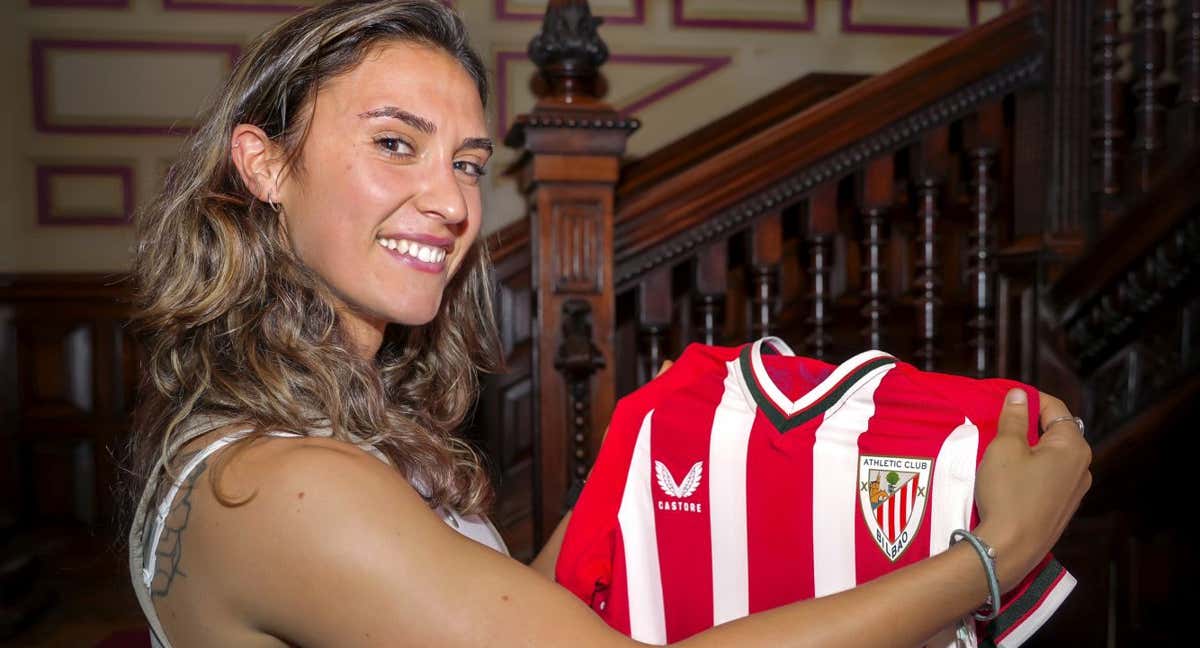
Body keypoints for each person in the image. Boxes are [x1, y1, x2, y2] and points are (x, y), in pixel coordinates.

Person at [124, 1, 1093, 646]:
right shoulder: (286, 488)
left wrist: (635, 465)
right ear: (263, 165)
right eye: (393, 145)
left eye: (464, 161)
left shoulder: (295, 441)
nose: (452, 202)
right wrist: (995, 554)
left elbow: (482, 613)